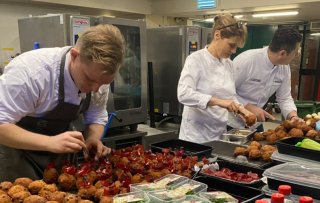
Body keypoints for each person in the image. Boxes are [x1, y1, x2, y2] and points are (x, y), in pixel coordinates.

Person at [0, 24, 125, 181]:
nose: (95, 89)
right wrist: (49, 142)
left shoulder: (97, 77)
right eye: (89, 79)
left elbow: (96, 115)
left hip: (58, 160)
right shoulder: (31, 73)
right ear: (74, 56)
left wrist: (92, 138)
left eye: (103, 83)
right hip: (16, 156)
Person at [177, 14, 255, 143]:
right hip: (195, 137)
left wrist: (242, 110)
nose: (234, 51)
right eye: (231, 45)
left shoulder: (228, 64)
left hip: (220, 134)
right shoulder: (196, 60)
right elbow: (183, 94)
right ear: (217, 35)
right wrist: (219, 102)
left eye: (237, 47)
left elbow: (230, 97)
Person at [228, 27, 302, 130]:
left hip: (255, 123)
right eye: (296, 52)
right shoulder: (246, 61)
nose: (297, 54)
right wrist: (247, 106)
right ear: (282, 53)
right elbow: (225, 93)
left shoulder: (284, 68)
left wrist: (293, 115)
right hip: (231, 122)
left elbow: (284, 97)